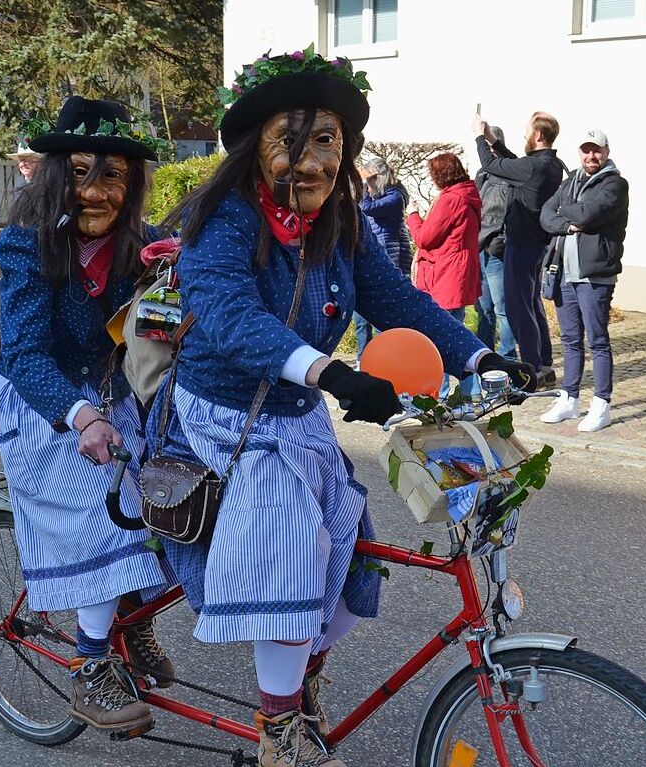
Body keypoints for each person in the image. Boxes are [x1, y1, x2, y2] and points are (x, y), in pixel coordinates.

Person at [152, 51, 534, 767]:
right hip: (223, 414)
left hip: (293, 413)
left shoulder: (339, 226)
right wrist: (331, 371)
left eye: (325, 141)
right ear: (253, 149)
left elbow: (400, 302)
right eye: (288, 141)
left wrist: (482, 357)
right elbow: (232, 317)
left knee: (348, 557)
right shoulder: (224, 221)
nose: (310, 161)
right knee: (296, 546)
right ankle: (278, 730)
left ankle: (303, 683)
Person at [0, 96, 175, 735]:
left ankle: (135, 616)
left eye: (113, 176)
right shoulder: (27, 244)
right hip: (45, 400)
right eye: (79, 173)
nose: (95, 191)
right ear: (52, 178)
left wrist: (174, 282)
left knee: (173, 503)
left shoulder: (146, 245)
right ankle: (90, 669)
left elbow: (152, 337)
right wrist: (78, 416)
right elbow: (22, 351)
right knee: (108, 514)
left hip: (114, 391)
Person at [539, 129, 629, 432]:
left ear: (606, 151)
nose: (592, 156)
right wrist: (569, 223)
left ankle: (602, 403)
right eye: (586, 151)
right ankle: (569, 397)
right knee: (569, 339)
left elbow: (591, 214)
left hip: (595, 275)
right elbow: (545, 216)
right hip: (564, 272)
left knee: (598, 340)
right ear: (579, 152)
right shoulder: (570, 182)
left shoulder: (615, 184)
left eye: (597, 151)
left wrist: (569, 213)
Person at [472, 111, 563, 387]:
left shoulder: (533, 167)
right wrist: (493, 139)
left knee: (519, 309)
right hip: (536, 246)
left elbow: (492, 165)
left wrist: (478, 135)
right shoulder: (550, 164)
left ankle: (532, 369)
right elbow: (512, 163)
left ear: (537, 135)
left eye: (526, 131)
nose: (524, 136)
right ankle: (544, 364)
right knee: (533, 306)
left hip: (522, 246)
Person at [407, 152, 482, 396]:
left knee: (440, 339)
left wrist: (413, 216)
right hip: (457, 275)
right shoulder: (467, 194)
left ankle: (442, 394)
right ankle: (467, 392)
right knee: (456, 334)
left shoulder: (451, 199)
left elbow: (425, 237)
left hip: (444, 277)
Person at [354, 156, 411, 362]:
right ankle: (363, 360)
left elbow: (366, 208)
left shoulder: (396, 196)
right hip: (368, 258)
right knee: (360, 319)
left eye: (370, 178)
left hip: (391, 259)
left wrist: (362, 185)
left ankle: (385, 360)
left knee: (383, 316)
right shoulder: (376, 196)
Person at [474, 125, 517, 361]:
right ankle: (483, 356)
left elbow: (498, 216)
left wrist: (494, 242)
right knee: (484, 310)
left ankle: (508, 355)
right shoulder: (482, 175)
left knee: (502, 309)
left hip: (495, 251)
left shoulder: (506, 177)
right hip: (479, 249)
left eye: (489, 146)